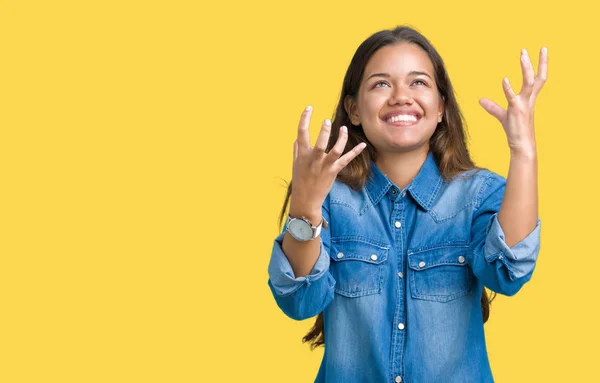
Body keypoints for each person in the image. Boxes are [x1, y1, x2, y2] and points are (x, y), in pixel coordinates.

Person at [267, 25, 547, 383]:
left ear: (442, 106)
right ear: (353, 109)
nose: (401, 96)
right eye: (381, 84)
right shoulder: (329, 198)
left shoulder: (478, 194)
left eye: (418, 82)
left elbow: (509, 272)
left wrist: (523, 151)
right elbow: (298, 302)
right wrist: (305, 209)